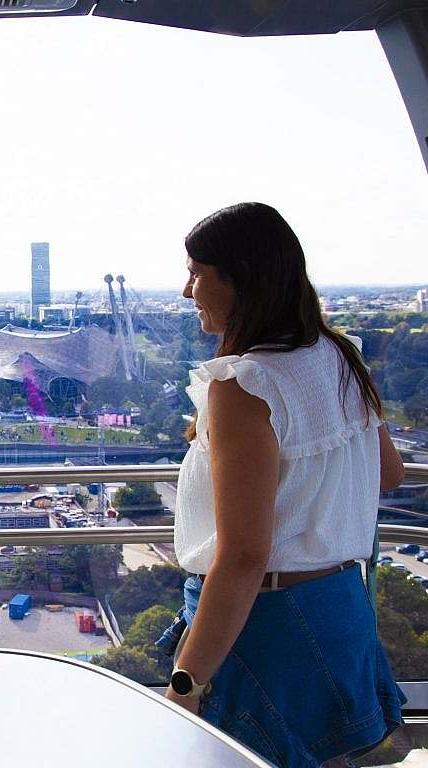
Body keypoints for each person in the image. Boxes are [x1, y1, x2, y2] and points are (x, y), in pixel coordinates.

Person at [164, 203, 407, 767]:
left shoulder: (245, 385)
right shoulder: (337, 355)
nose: (186, 289)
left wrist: (186, 683)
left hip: (267, 622)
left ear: (240, 277)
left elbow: (245, 555)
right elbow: (388, 472)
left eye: (198, 271)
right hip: (339, 607)